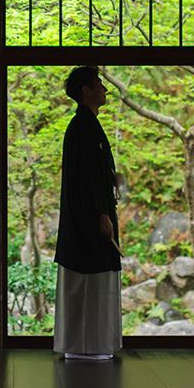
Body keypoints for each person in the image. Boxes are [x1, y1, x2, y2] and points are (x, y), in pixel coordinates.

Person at [54, 65, 126, 361]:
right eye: (99, 83)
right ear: (86, 90)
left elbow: (95, 173)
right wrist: (101, 213)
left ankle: (94, 345)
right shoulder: (82, 126)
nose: (105, 89)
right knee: (87, 280)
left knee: (93, 283)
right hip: (88, 220)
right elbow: (86, 177)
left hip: (93, 214)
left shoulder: (87, 125)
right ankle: (85, 346)